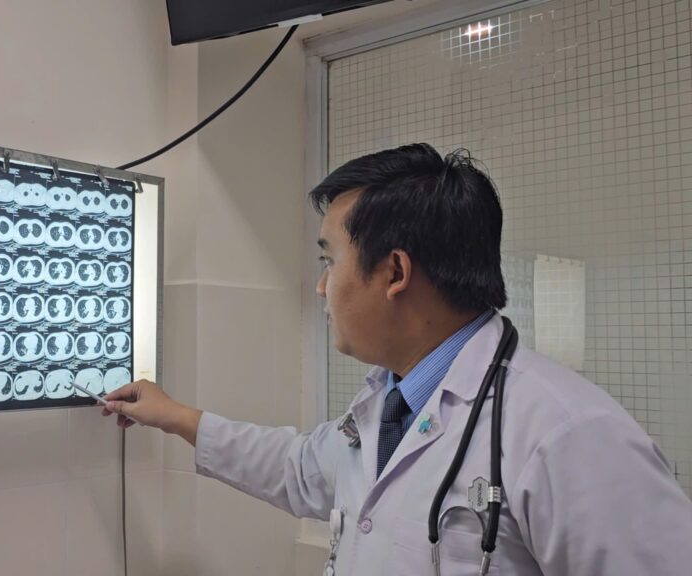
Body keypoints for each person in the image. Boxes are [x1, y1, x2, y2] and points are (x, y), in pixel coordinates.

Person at [101, 144, 692, 574]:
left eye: (329, 260)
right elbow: (299, 468)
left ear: (395, 272)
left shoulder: (569, 434)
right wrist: (174, 415)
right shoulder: (389, 402)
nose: (321, 287)